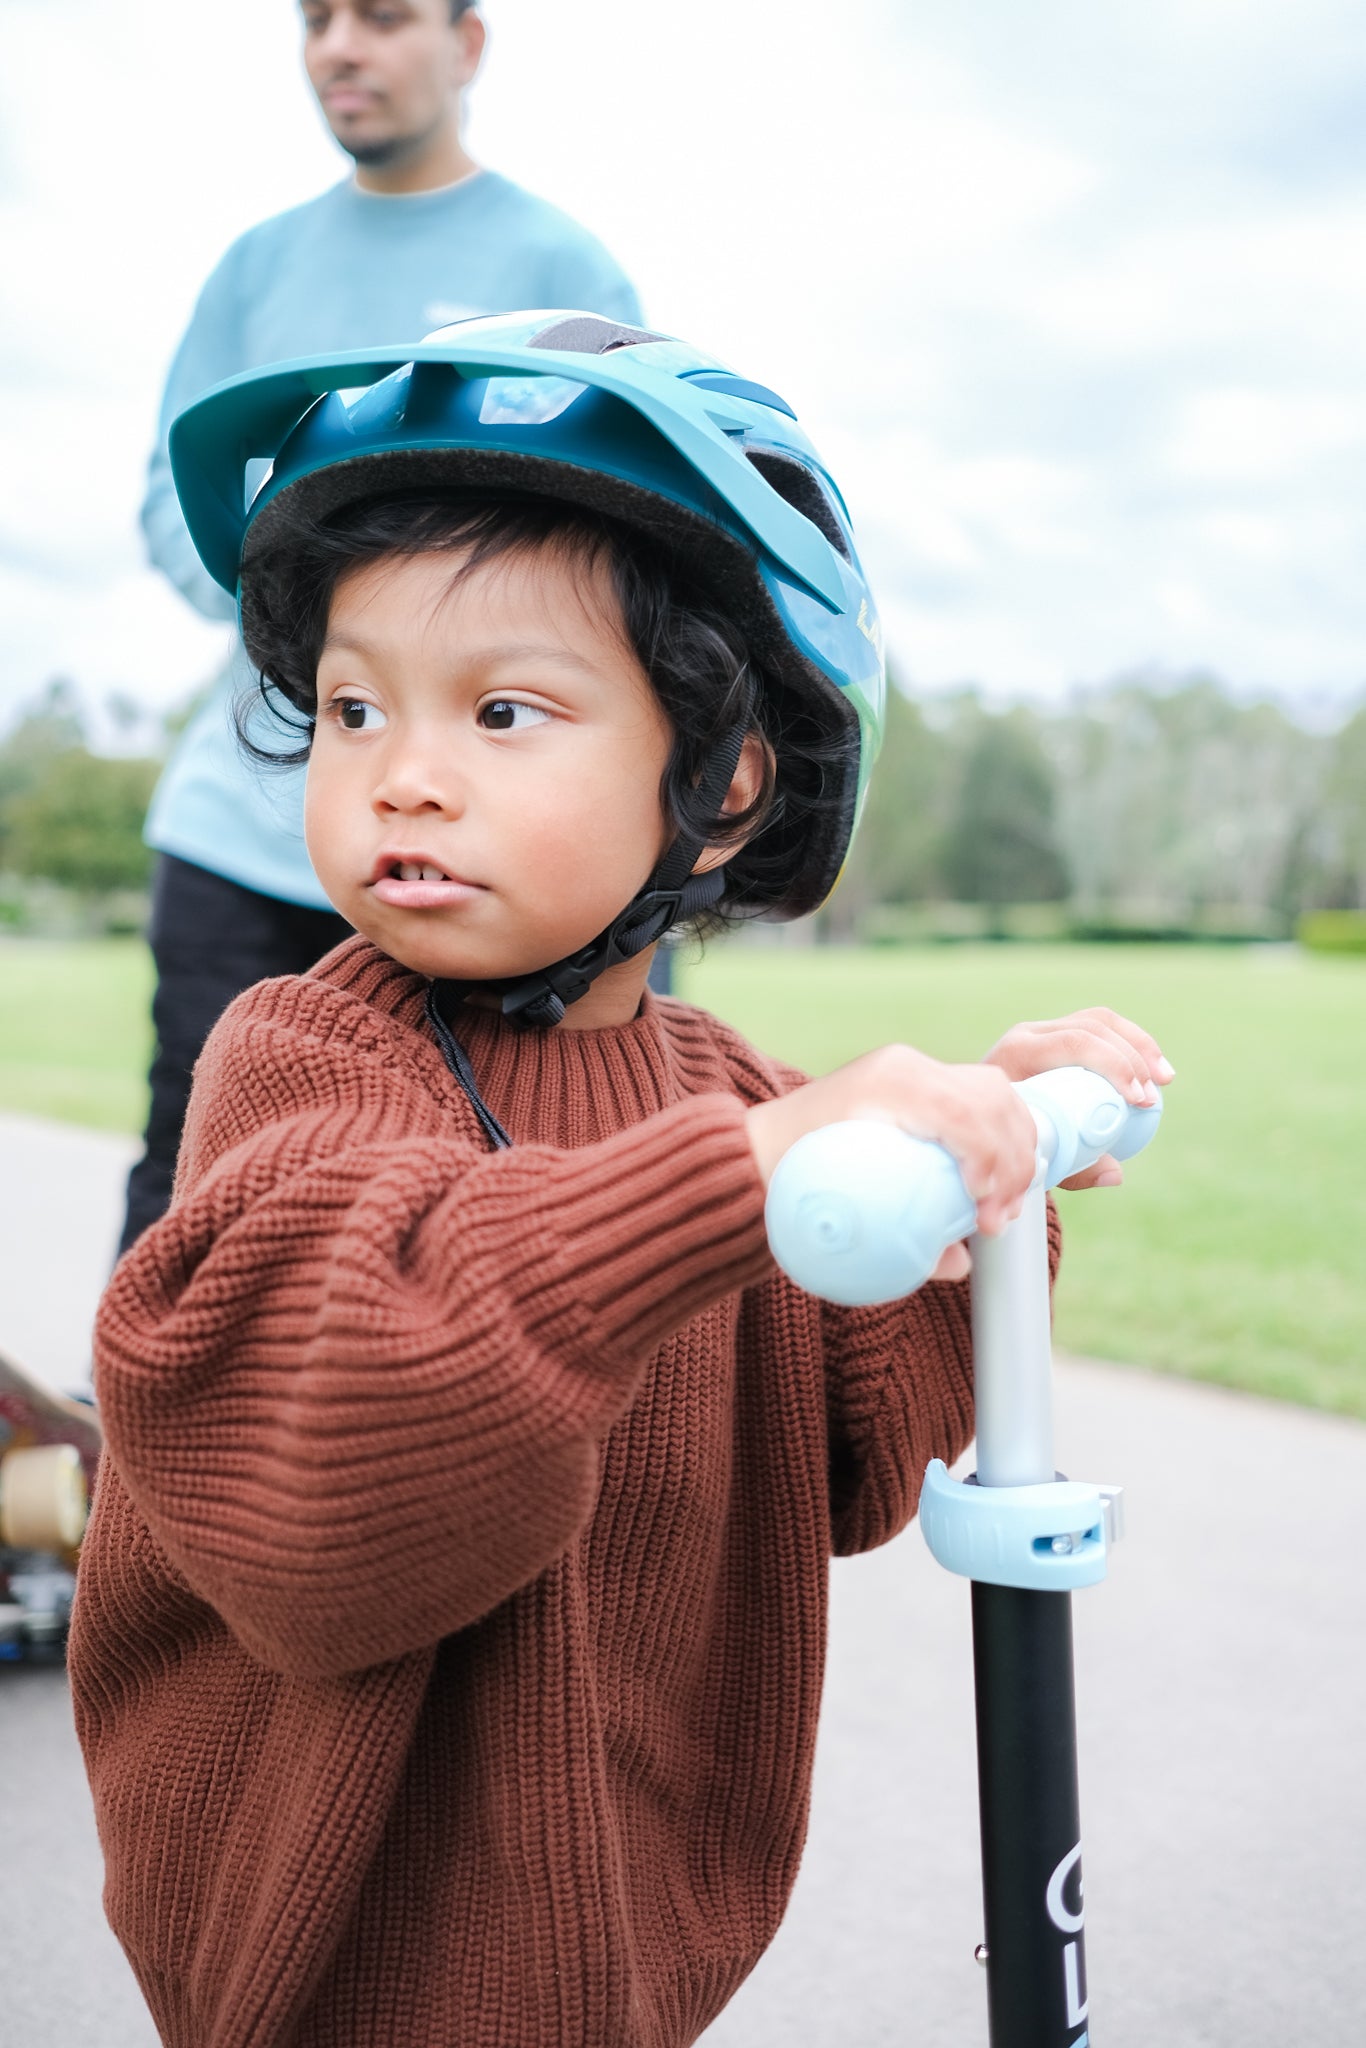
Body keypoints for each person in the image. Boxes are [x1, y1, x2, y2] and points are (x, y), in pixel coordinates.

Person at [71, 314, 1173, 2048]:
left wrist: (986, 1172)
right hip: (339, 1974)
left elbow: (855, 1452)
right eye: (354, 706)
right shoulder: (303, 1063)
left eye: (503, 710)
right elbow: (335, 1454)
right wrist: (738, 1181)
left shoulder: (728, 1099)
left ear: (719, 784)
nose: (402, 771)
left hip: (635, 1959)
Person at [121, 0, 645, 1256]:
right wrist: (333, 622)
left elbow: (636, 535)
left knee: (506, 1211)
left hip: (487, 851)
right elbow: (170, 501)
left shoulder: (560, 264)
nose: (339, 48)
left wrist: (446, 647)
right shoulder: (254, 266)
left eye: (383, 16)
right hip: (240, 837)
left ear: (467, 46)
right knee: (190, 1191)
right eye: (316, 20)